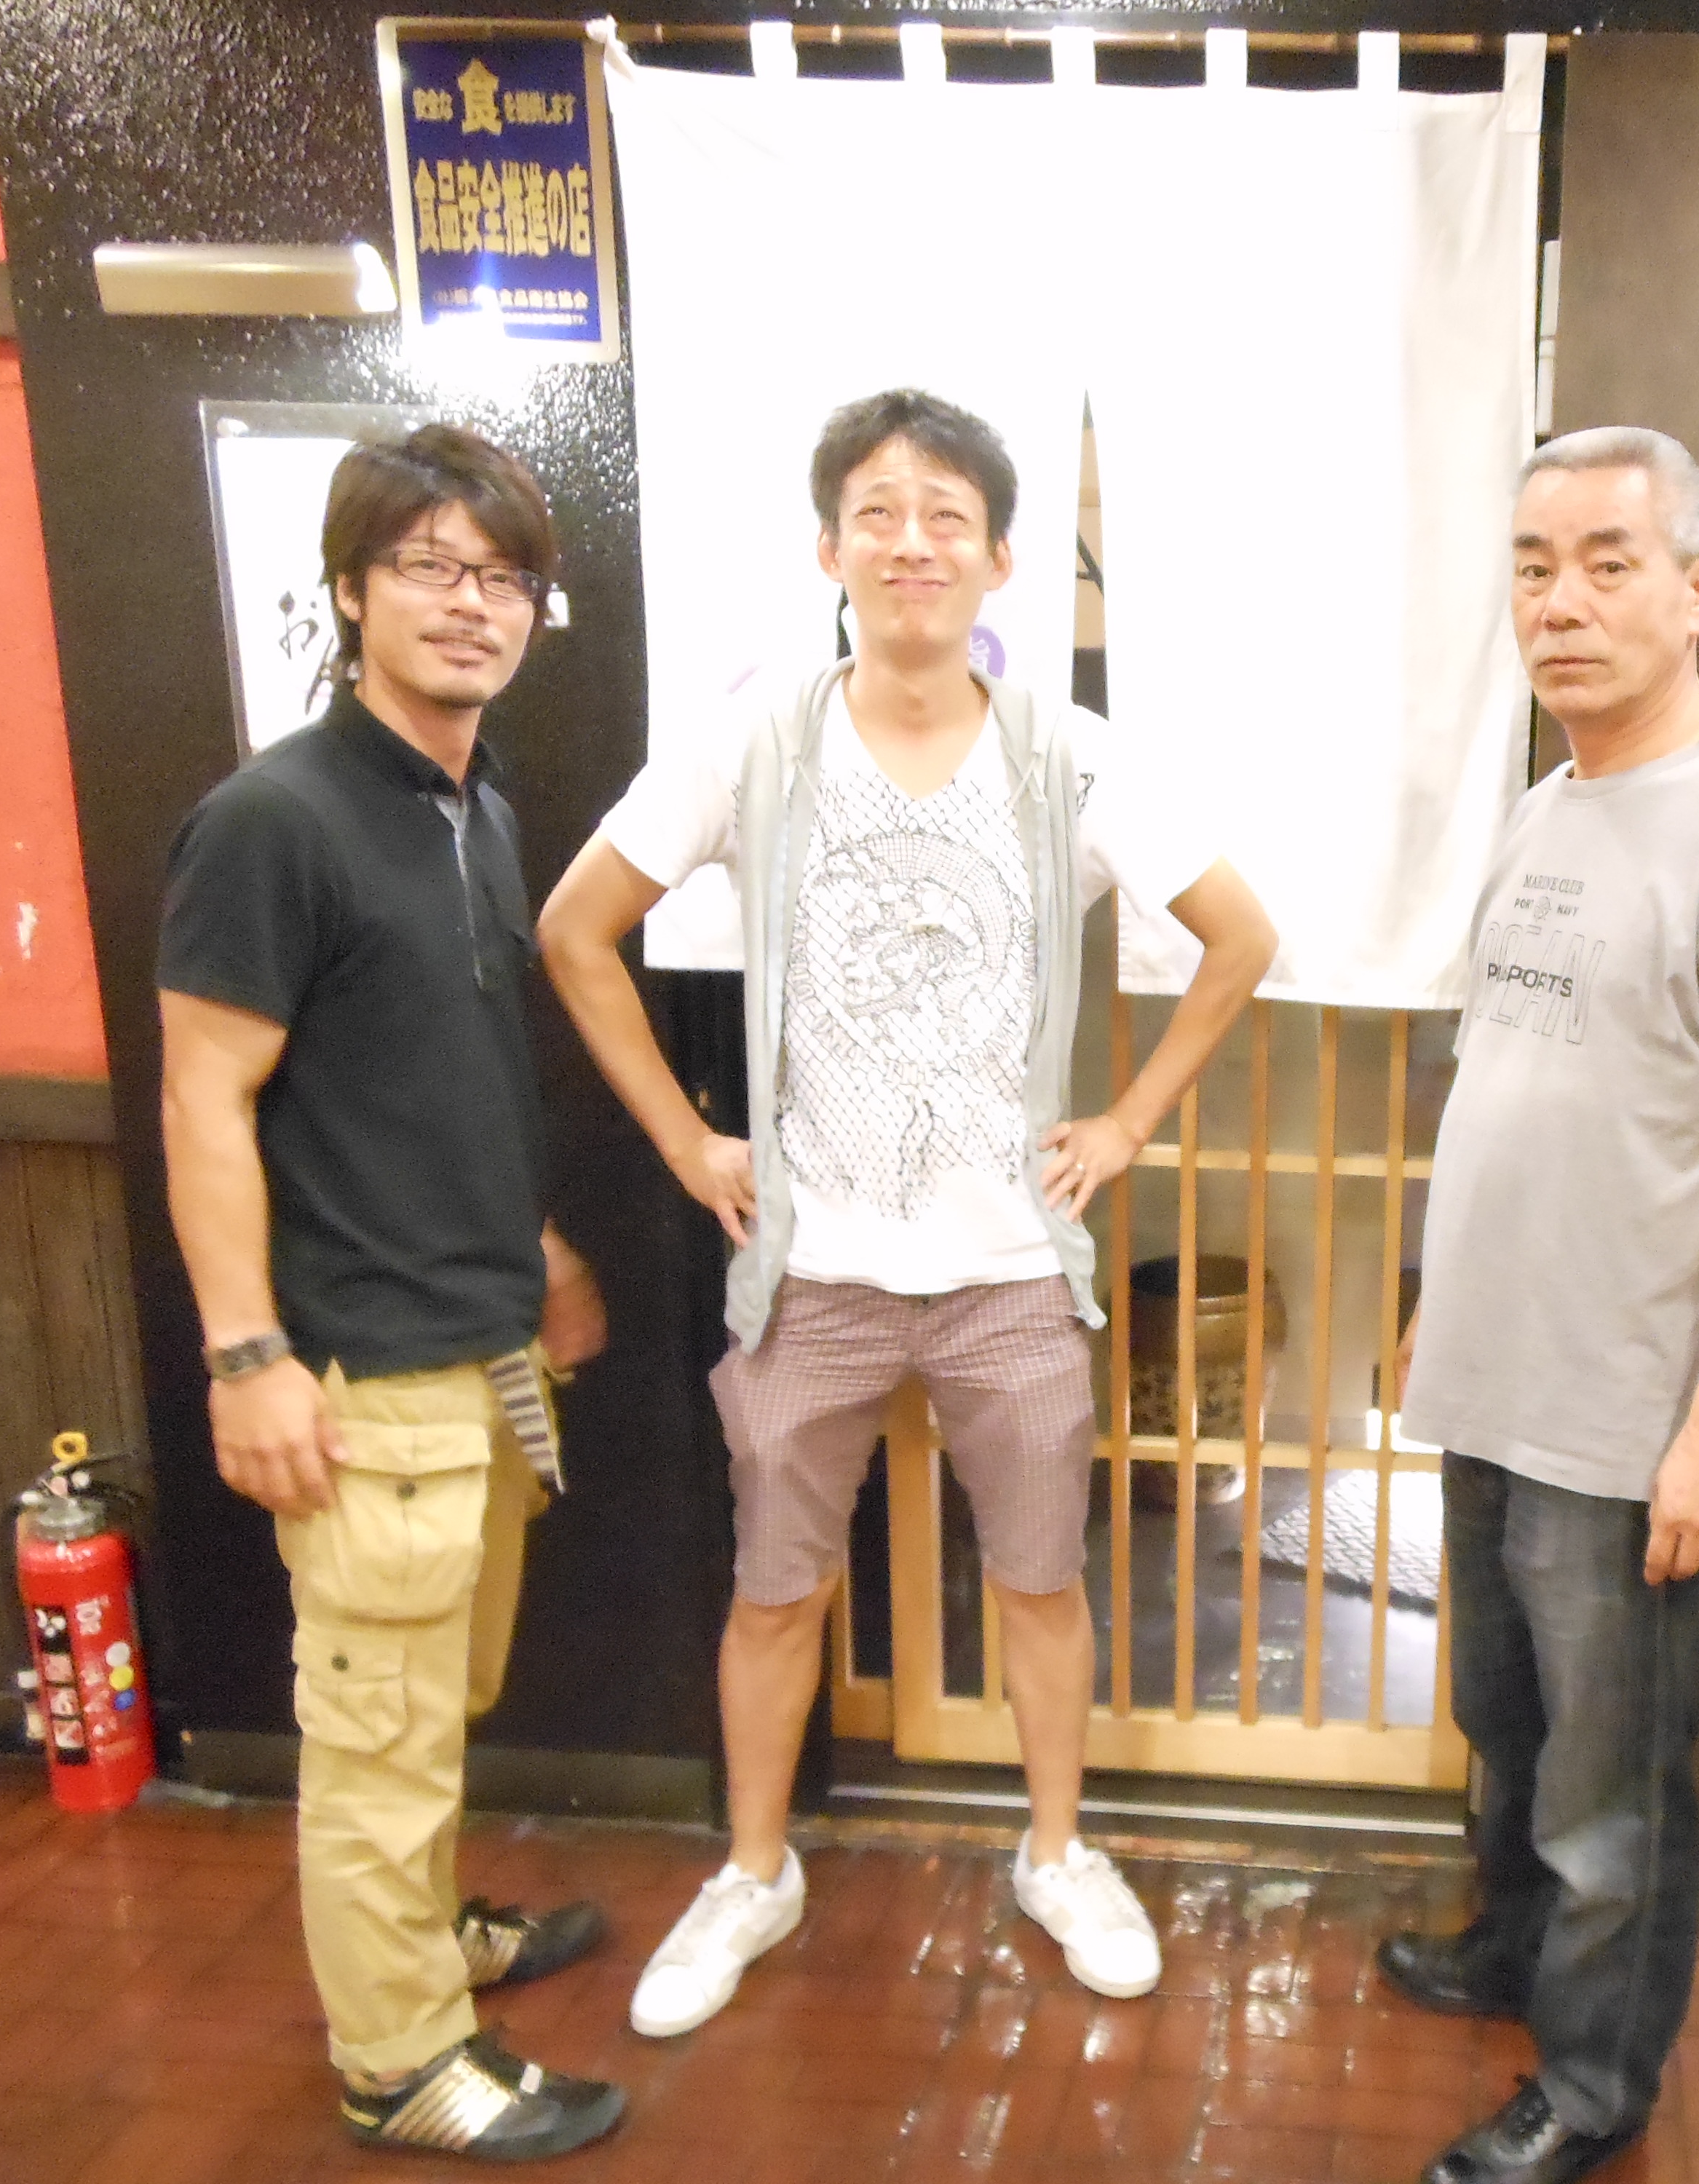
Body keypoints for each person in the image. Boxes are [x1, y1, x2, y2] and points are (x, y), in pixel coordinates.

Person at [539, 388, 1275, 2035]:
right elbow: (577, 929)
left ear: (1002, 559)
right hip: (813, 1265)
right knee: (774, 1586)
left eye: (948, 515)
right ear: (829, 550)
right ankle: (754, 1871)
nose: (912, 541)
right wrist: (686, 1143)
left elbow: (1240, 935)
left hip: (1011, 1265)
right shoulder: (754, 740)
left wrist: (1127, 1122)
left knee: (1041, 1580)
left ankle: (1058, 1850)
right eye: (877, 511)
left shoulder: (1070, 756)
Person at [1390, 427, 1699, 2184]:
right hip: (1494, 1372)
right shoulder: (1546, 804)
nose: (1561, 602)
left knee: (1613, 1791)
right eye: (1532, 566)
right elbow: (1506, 1086)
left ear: (1696, 588)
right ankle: (1506, 1954)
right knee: (1502, 1726)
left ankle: (1592, 2088)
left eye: (1607, 561)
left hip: (1631, 1410)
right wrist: (1434, 1307)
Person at [158, 424, 622, 2162]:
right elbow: (202, 1099)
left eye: (502, 577)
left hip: (477, 1346)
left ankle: (425, 1936)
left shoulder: (471, 807)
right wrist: (246, 1355)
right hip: (361, 1373)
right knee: (375, 1741)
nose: (469, 604)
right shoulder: (274, 819)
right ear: (349, 590)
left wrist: (539, 1250)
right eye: (427, 565)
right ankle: (401, 2060)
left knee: (437, 1701)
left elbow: (434, 1079)